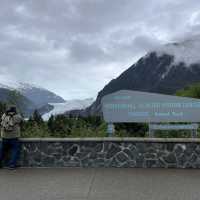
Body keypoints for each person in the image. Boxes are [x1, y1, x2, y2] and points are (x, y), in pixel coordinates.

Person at [0, 105, 23, 170]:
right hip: (14, 137)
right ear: (15, 110)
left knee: (1, 150)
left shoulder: (4, 115)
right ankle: (12, 165)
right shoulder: (17, 116)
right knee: (14, 151)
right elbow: (21, 120)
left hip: (4, 136)